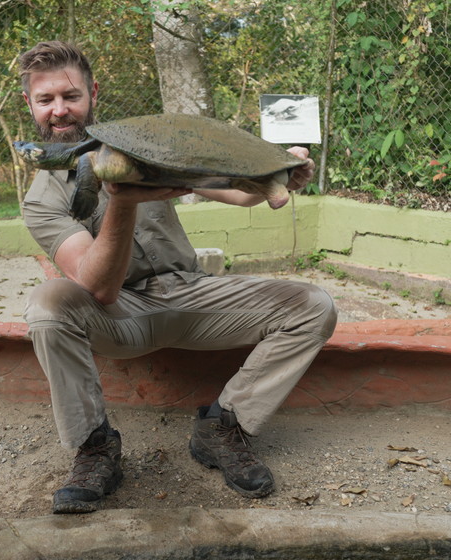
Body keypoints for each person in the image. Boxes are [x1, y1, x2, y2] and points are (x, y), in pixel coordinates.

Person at [19, 40, 338, 514]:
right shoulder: (41, 200)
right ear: (30, 104)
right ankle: (95, 448)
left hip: (190, 294)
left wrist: (279, 171)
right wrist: (124, 201)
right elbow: (98, 287)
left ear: (93, 94)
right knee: (47, 305)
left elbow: (237, 192)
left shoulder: (145, 144)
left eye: (71, 96)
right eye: (46, 99)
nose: (60, 110)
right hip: (120, 314)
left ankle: (223, 427)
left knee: (315, 306)